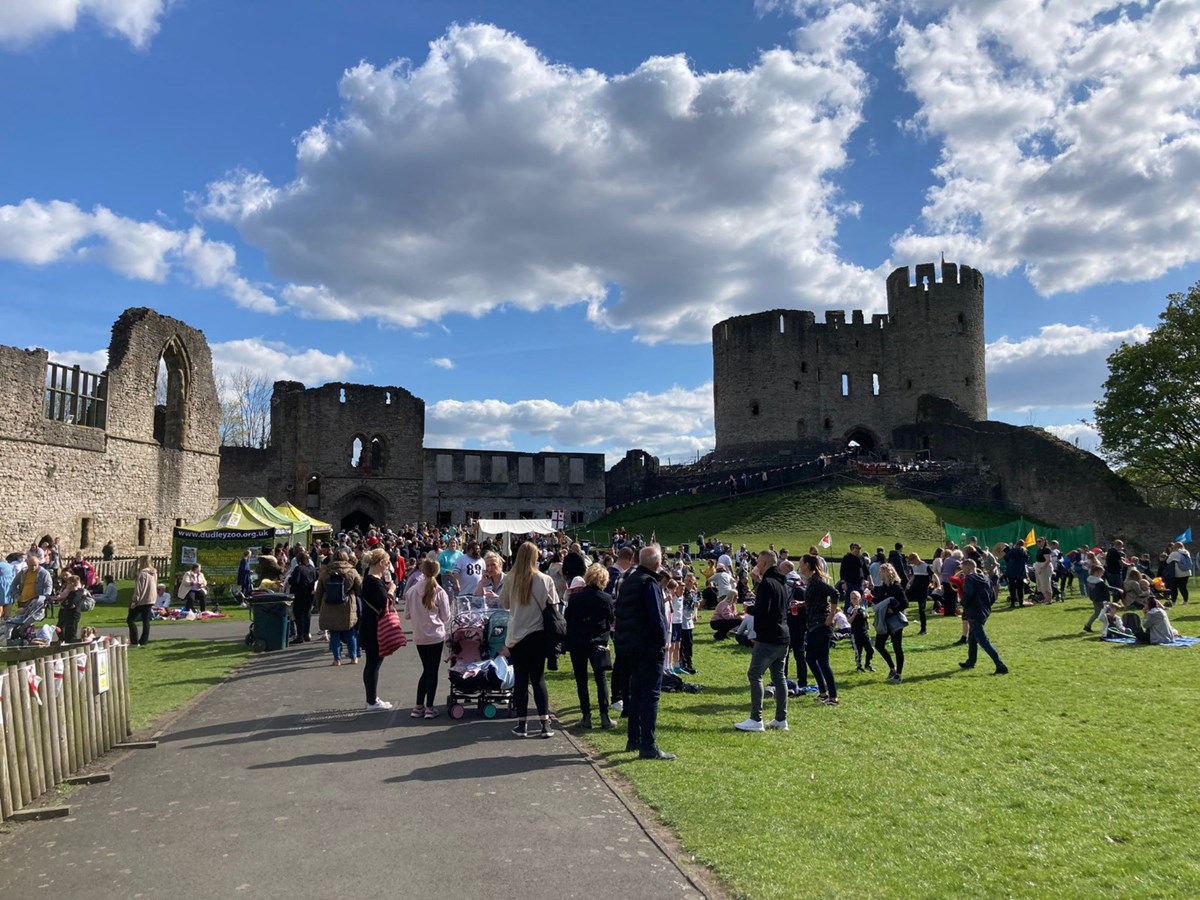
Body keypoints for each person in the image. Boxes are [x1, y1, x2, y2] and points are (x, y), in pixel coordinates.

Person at [614, 544, 674, 759]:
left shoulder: (629, 579)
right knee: (650, 696)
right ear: (657, 564)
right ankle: (648, 744)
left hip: (630, 645)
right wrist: (661, 643)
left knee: (636, 692)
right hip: (647, 646)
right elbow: (656, 619)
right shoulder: (650, 584)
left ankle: (634, 739)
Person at [499, 541, 558, 738]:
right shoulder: (544, 579)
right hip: (538, 633)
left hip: (517, 635)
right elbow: (554, 607)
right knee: (538, 679)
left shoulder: (510, 578)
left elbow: (505, 603)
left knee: (521, 681)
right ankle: (544, 723)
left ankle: (521, 724)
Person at [736, 550, 790, 732]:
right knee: (779, 677)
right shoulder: (781, 582)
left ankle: (756, 719)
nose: (756, 564)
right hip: (783, 636)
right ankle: (781, 719)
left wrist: (749, 610)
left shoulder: (767, 583)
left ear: (765, 563)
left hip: (769, 637)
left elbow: (763, 610)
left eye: (758, 562)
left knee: (754, 674)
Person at [565, 564, 616, 729]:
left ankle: (586, 716)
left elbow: (568, 617)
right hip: (598, 642)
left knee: (581, 679)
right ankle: (604, 716)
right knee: (600, 679)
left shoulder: (575, 598)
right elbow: (610, 618)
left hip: (578, 641)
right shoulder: (606, 599)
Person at [404, 557, 451, 718]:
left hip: (419, 635)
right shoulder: (440, 592)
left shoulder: (411, 591)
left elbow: (407, 614)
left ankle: (419, 705)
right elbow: (446, 617)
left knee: (426, 669)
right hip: (436, 635)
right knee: (432, 671)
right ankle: (429, 706)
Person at [357, 547, 397, 711]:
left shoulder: (369, 579)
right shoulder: (373, 581)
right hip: (373, 627)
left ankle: (372, 698)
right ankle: (371, 701)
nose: (388, 566)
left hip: (369, 625)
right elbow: (383, 603)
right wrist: (392, 590)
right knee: (374, 664)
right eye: (387, 563)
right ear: (381, 563)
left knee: (373, 663)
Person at [800, 554, 840, 705]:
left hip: (821, 626)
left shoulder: (816, 581)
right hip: (812, 626)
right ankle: (823, 692)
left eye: (802, 563)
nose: (800, 566)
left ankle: (833, 697)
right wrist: (802, 603)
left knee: (823, 661)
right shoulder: (811, 582)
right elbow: (815, 599)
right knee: (810, 658)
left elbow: (835, 593)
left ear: (808, 565)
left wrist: (831, 615)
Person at [958, 559, 1008, 675]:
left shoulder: (970, 579)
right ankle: (971, 661)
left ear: (969, 569)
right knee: (972, 638)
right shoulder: (985, 577)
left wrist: (963, 603)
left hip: (974, 612)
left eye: (963, 569)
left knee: (983, 641)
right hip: (984, 611)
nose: (962, 571)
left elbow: (968, 594)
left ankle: (1000, 665)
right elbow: (992, 596)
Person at [316, 550, 362, 667]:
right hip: (347, 605)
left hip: (329, 605)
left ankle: (337, 659)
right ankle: (353, 657)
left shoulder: (325, 572)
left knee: (334, 633)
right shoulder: (352, 571)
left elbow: (319, 592)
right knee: (350, 632)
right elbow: (360, 589)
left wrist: (318, 606)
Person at [872, 564, 908, 683]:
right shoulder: (882, 587)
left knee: (897, 646)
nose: (879, 574)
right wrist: (870, 598)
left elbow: (905, 603)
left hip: (895, 621)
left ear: (887, 573)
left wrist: (894, 610)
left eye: (881, 572)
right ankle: (892, 668)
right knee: (879, 645)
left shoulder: (896, 587)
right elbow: (879, 600)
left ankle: (899, 674)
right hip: (884, 620)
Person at [287, 550, 318, 641]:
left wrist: (289, 579)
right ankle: (306, 633)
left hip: (299, 594)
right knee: (307, 613)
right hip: (310, 593)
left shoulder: (298, 569)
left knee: (299, 614)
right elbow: (316, 577)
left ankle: (299, 635)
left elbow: (295, 581)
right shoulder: (312, 568)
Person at [127, 555, 156, 647]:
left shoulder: (142, 573)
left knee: (130, 619)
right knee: (145, 620)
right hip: (150, 599)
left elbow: (139, 589)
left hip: (142, 599)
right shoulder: (153, 572)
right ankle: (144, 641)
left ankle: (134, 641)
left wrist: (135, 600)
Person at [906, 552, 936, 635]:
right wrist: (909, 582)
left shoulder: (926, 566)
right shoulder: (914, 567)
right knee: (904, 600)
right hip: (914, 588)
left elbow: (934, 575)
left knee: (921, 609)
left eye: (912, 562)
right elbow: (914, 576)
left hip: (923, 590)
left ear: (916, 559)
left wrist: (938, 584)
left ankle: (923, 629)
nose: (912, 564)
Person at [847, 591, 874, 672]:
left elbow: (865, 618)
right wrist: (854, 614)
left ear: (859, 599)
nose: (854, 600)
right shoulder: (850, 609)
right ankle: (859, 667)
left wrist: (867, 618)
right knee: (858, 651)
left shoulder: (862, 608)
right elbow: (849, 621)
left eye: (855, 598)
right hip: (855, 633)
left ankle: (867, 664)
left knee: (870, 649)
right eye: (852, 599)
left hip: (864, 632)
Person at [57, 572, 86, 643]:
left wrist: (65, 605)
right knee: (59, 628)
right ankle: (62, 640)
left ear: (73, 584)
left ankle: (71, 643)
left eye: (69, 583)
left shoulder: (79, 593)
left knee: (70, 631)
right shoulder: (70, 592)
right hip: (65, 613)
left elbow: (72, 604)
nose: (67, 585)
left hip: (72, 615)